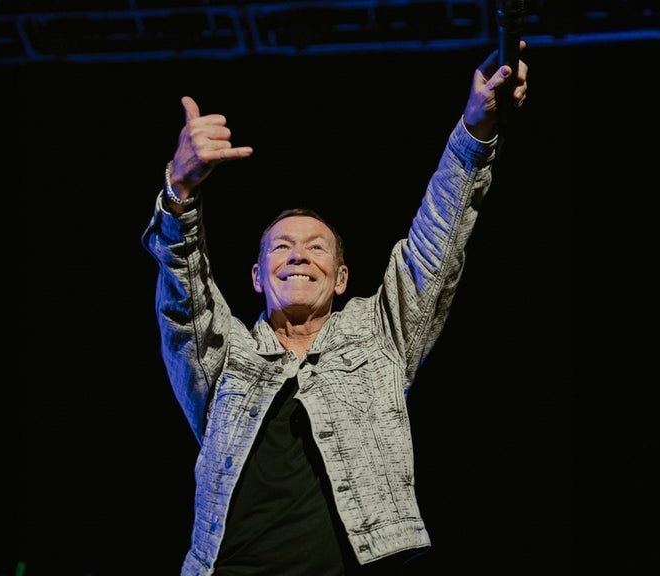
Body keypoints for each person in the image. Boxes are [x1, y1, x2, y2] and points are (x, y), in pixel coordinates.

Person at [142, 45, 528, 576]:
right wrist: (180, 189)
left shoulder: (380, 333)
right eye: (281, 247)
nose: (298, 255)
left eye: (316, 247)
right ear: (256, 277)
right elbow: (184, 294)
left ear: (341, 278)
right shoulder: (224, 358)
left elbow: (437, 241)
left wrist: (475, 130)